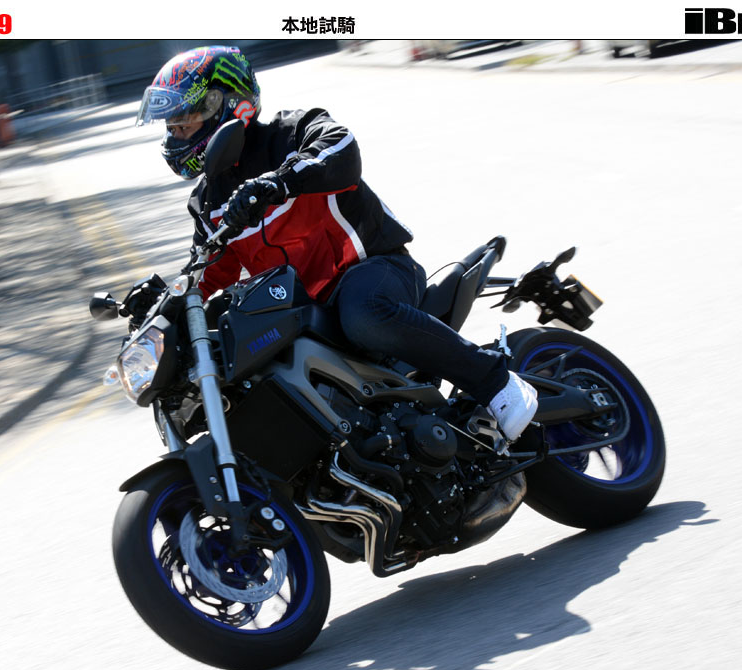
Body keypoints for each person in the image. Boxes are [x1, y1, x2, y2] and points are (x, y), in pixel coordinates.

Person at [135, 46, 537, 440]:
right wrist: (161, 305)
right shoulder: (208, 202)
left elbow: (343, 151)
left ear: (227, 105)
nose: (176, 133)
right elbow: (207, 273)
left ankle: (495, 381)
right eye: (171, 125)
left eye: (184, 121)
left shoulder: (292, 133)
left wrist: (279, 182)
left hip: (374, 269)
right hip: (303, 311)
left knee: (363, 314)